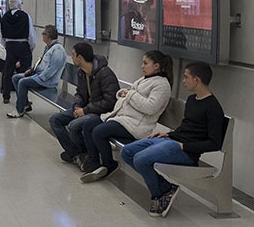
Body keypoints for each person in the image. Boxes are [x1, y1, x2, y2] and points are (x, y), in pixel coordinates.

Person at [121, 61, 226, 217]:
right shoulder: (192, 100)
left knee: (140, 159)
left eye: (186, 77)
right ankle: (166, 188)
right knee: (127, 152)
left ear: (196, 80)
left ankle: (159, 194)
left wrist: (185, 146)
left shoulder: (213, 107)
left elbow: (214, 143)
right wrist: (169, 134)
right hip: (173, 142)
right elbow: (186, 127)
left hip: (187, 152)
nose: (183, 81)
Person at [79, 50, 173, 183]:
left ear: (156, 66)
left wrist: (130, 95)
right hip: (123, 118)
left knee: (99, 132)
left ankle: (109, 164)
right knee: (88, 125)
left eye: (145, 63)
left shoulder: (162, 85)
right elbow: (131, 94)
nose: (142, 66)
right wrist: (123, 93)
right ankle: (94, 162)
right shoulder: (144, 79)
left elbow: (150, 107)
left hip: (136, 125)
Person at [49, 43, 119, 167]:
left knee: (74, 126)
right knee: (55, 120)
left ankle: (83, 155)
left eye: (73, 55)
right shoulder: (81, 72)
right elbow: (80, 93)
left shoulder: (105, 73)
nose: (71, 57)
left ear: (80, 57)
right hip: (85, 108)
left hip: (101, 112)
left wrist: (85, 110)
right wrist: (77, 105)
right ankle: (77, 154)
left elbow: (110, 102)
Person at [6, 25, 66, 118]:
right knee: (15, 78)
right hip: (38, 75)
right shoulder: (49, 47)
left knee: (22, 82)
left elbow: (52, 69)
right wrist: (32, 71)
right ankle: (25, 104)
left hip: (47, 81)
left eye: (43, 34)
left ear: (47, 36)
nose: (42, 35)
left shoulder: (58, 50)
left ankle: (19, 110)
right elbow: (41, 63)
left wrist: (39, 78)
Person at [0, 0, 34, 104]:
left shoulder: (4, 17)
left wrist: (7, 45)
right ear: (18, 5)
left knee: (8, 71)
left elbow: (1, 34)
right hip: (23, 45)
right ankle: (23, 99)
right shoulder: (25, 16)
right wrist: (31, 47)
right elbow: (30, 33)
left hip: (10, 46)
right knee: (25, 72)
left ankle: (6, 96)